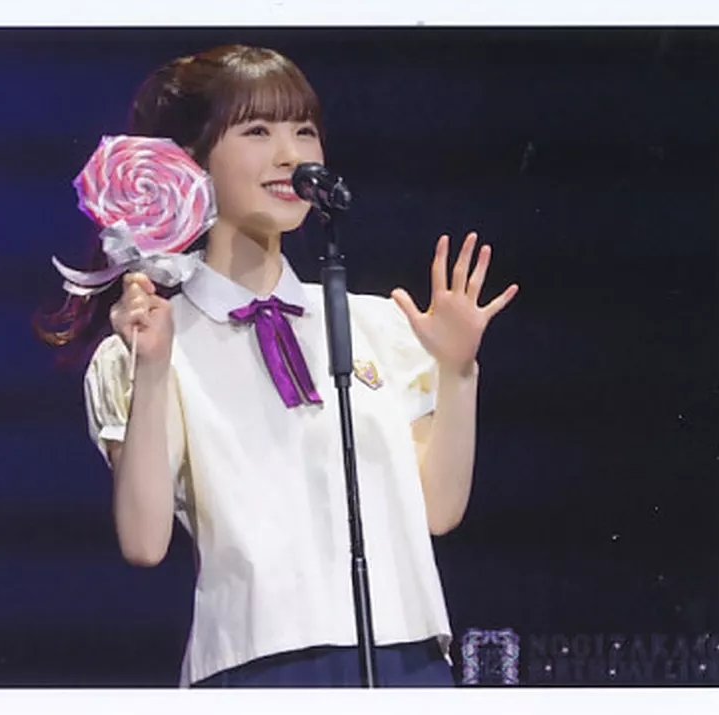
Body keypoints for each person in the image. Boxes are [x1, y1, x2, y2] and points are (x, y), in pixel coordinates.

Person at [39, 44, 518, 688]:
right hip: (257, 664)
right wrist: (151, 369)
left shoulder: (376, 324)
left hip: (408, 658)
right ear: (192, 161)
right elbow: (144, 543)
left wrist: (457, 372)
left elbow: (437, 510)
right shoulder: (152, 343)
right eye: (258, 131)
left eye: (305, 130)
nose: (291, 155)